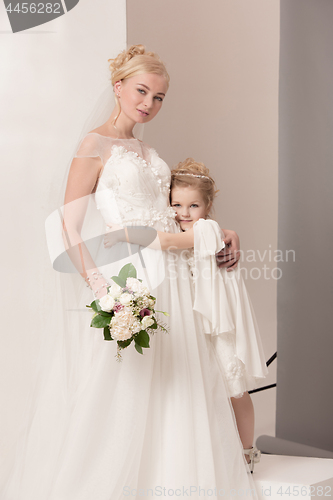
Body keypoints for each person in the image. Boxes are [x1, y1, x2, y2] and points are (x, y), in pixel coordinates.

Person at [2, 45, 257, 500]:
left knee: (178, 383)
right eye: (142, 92)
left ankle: (173, 482)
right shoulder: (93, 146)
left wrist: (224, 231)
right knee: (123, 387)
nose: (149, 104)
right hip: (132, 279)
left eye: (159, 98)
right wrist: (101, 289)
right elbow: (67, 226)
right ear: (118, 87)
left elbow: (170, 216)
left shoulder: (145, 149)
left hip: (175, 278)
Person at [105, 157, 268, 473]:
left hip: (220, 320)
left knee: (235, 384)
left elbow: (166, 242)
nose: (183, 213)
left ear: (207, 207)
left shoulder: (207, 229)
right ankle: (218, 450)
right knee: (208, 383)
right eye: (176, 204)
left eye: (193, 206)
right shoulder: (183, 223)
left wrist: (125, 232)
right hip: (197, 320)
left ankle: (248, 452)